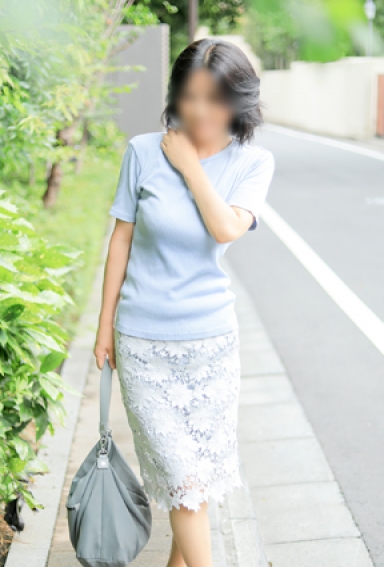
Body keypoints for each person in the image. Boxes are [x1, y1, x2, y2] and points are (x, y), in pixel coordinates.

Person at [94, 38, 275, 567]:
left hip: (211, 347)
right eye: (190, 96)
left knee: (193, 481)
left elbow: (225, 228)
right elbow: (121, 239)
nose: (200, 111)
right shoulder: (141, 151)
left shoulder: (253, 162)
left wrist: (191, 168)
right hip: (143, 344)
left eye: (215, 99)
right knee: (183, 480)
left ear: (238, 100)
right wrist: (104, 327)